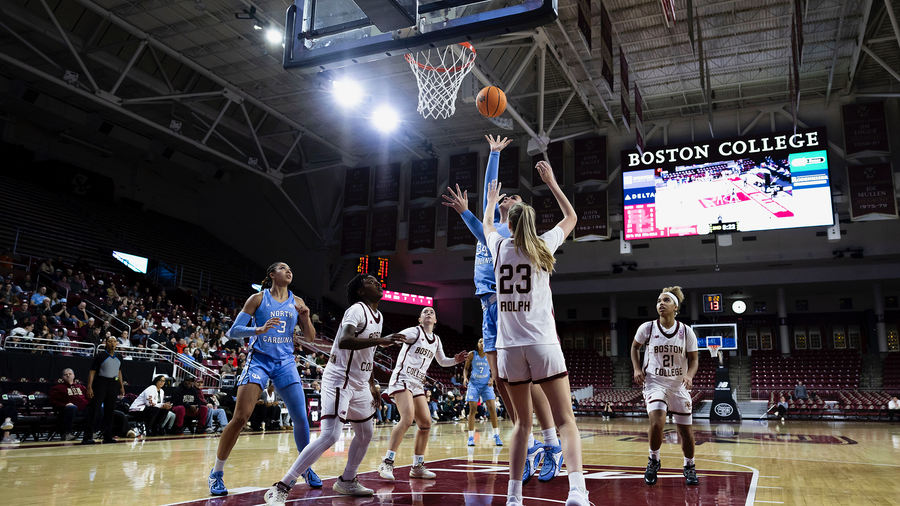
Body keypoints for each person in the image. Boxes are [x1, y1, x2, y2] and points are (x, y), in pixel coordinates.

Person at [444, 135, 561, 485]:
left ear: (520, 212)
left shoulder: (515, 240)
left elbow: (490, 196)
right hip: (488, 311)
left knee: (528, 381)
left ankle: (552, 444)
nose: (505, 197)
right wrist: (491, 159)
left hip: (515, 312)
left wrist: (495, 153)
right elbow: (487, 196)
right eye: (503, 196)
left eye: (513, 198)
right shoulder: (488, 231)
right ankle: (528, 448)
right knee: (503, 383)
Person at [481, 164, 588, 506]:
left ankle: (513, 498)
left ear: (508, 223)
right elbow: (571, 217)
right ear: (531, 223)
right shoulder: (543, 246)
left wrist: (491, 201)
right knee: (565, 422)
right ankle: (576, 492)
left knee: (521, 426)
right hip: (542, 343)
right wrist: (552, 183)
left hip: (509, 348)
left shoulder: (498, 248)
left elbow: (486, 224)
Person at [263, 273, 404, 505]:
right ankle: (282, 486)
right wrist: (380, 341)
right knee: (330, 435)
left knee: (366, 433)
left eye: (377, 281)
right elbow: (344, 341)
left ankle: (347, 480)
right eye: (370, 281)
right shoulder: (357, 309)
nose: (377, 283)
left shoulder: (378, 316)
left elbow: (366, 355)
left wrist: (371, 383)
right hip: (340, 379)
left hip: (360, 383)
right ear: (360, 291)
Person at [208, 262, 317, 497]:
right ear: (272, 275)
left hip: (286, 363)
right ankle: (216, 473)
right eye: (283, 268)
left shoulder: (297, 301)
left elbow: (310, 338)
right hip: (259, 361)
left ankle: (305, 468)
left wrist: (306, 318)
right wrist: (258, 329)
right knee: (240, 417)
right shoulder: (257, 299)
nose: (289, 271)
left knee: (301, 418)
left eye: (290, 268)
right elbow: (234, 331)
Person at [378, 306, 467, 480]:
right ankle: (387, 462)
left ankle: (417, 466)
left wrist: (455, 360)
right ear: (420, 319)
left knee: (426, 423)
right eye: (425, 312)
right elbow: (393, 339)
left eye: (432, 312)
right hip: (402, 378)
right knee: (407, 418)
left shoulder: (436, 340)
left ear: (435, 321)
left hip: (417, 383)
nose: (428, 313)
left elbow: (442, 362)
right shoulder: (414, 332)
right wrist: (383, 341)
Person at [630, 286, 700, 487]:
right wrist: (636, 368)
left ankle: (689, 465)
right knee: (656, 423)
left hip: (678, 385)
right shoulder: (648, 328)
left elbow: (694, 359)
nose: (661, 303)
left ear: (675, 307)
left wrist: (689, 375)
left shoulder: (686, 331)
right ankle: (653, 460)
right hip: (654, 382)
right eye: (659, 300)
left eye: (666, 301)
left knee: (686, 432)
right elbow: (635, 347)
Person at [83, 336, 126, 444]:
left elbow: (119, 372)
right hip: (101, 383)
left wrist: (121, 386)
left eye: (114, 341)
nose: (112, 343)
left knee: (110, 410)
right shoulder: (100, 356)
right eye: (110, 341)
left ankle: (107, 435)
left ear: (117, 344)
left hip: (113, 383)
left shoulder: (119, 357)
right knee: (94, 409)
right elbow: (92, 372)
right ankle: (87, 436)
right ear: (106, 343)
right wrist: (89, 387)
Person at [463, 337, 503, 447]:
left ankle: (496, 436)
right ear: (477, 344)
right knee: (473, 409)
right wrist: (465, 378)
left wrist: (493, 378)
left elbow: (495, 369)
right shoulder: (472, 354)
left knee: (492, 408)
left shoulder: (490, 355)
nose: (482, 343)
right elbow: (466, 368)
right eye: (480, 341)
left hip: (486, 385)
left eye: (484, 342)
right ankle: (471, 437)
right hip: (474, 384)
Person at [49, 368, 90, 440]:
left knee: (98, 408)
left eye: (70, 374)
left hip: (83, 410)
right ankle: (67, 434)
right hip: (67, 411)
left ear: (73, 376)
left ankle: (93, 431)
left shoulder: (81, 387)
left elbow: (88, 399)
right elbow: (53, 401)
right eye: (65, 375)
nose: (68, 376)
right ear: (62, 377)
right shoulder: (57, 388)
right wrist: (64, 405)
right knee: (72, 408)